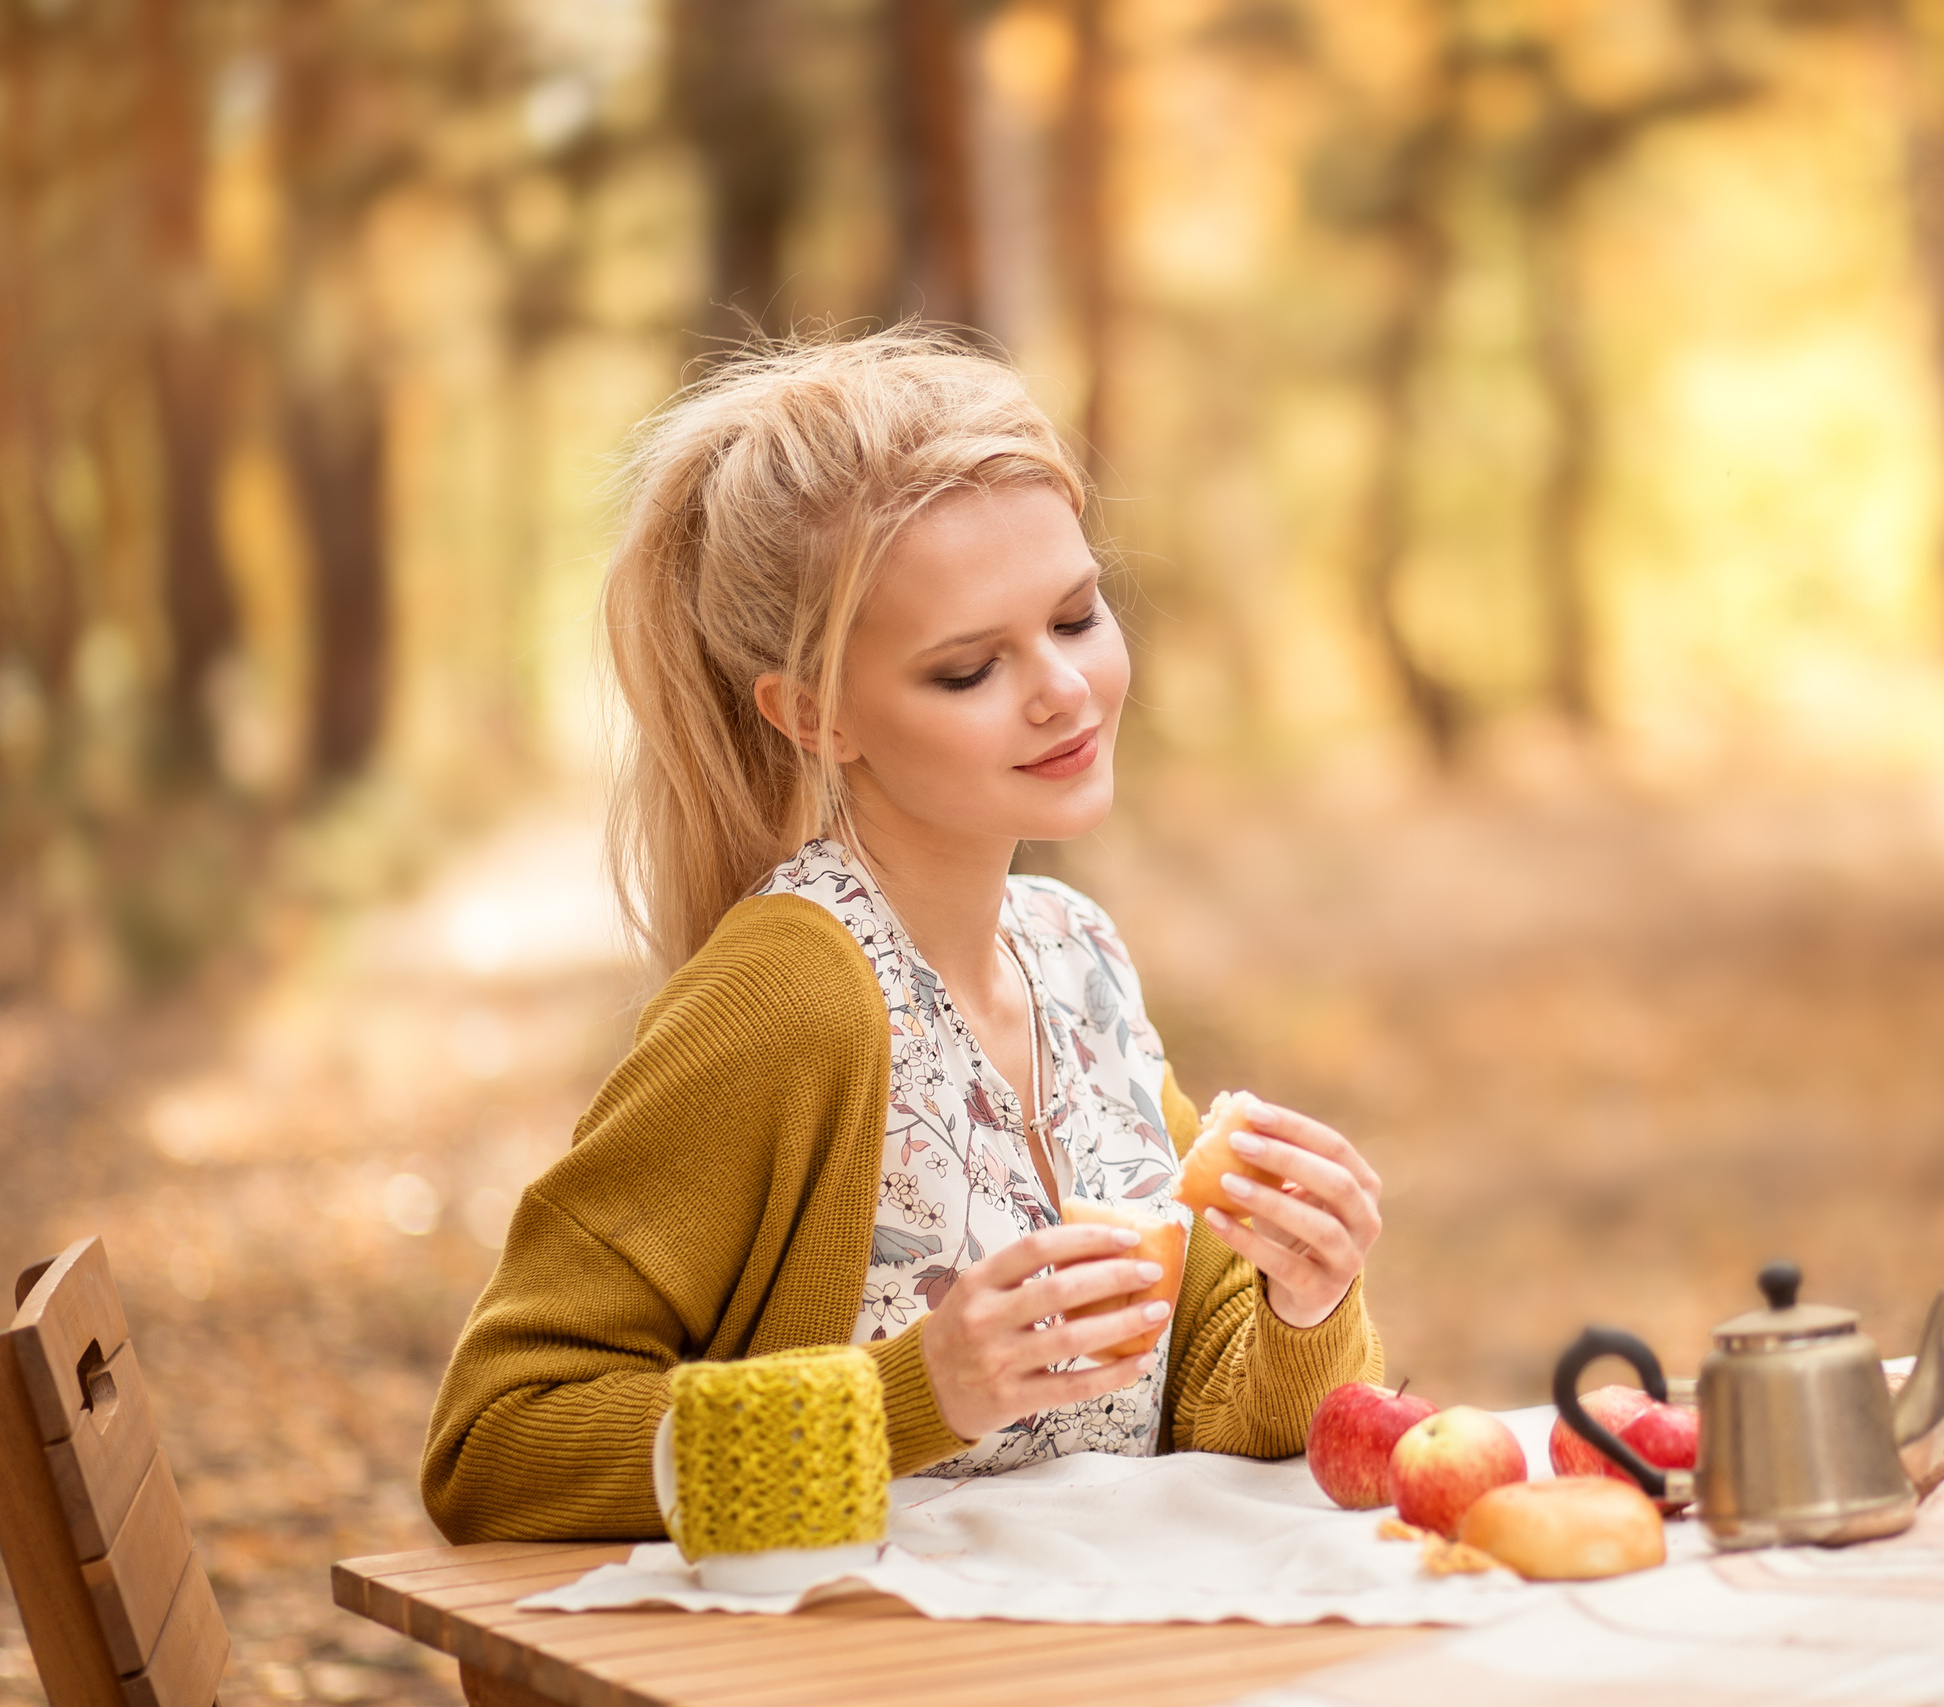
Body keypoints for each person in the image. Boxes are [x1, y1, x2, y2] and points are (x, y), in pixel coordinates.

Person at [421, 330, 1386, 1543]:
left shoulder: (1074, 958)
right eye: (969, 669)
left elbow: (1195, 1418)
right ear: (815, 715)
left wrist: (1307, 1301)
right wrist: (914, 1396)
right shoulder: (789, 999)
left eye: (1077, 617)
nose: (1063, 691)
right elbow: (491, 1445)